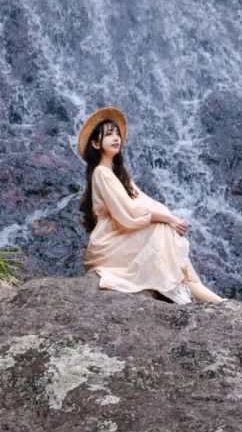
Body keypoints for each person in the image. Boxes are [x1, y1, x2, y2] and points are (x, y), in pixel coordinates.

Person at [77, 105, 223, 304]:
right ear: (96, 144)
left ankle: (194, 290)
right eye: (109, 134)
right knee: (160, 229)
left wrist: (167, 218)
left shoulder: (118, 174)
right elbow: (129, 212)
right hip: (110, 240)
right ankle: (198, 293)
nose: (116, 138)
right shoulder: (102, 173)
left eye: (117, 134)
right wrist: (168, 218)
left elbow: (144, 202)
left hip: (122, 233)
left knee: (161, 229)